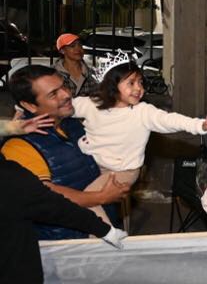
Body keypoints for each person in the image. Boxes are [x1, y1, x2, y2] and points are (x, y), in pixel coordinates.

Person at [70, 58, 207, 222]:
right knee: (70, 195)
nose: (138, 88)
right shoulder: (92, 104)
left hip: (123, 171)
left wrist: (199, 125)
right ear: (112, 85)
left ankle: (106, 238)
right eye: (131, 83)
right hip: (93, 164)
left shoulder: (143, 112)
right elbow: (62, 106)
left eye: (140, 83)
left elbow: (169, 120)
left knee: (87, 200)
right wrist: (36, 116)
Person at [2, 66, 129, 239]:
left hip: (97, 232)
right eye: (53, 94)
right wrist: (100, 197)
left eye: (64, 86)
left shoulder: (73, 124)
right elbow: (44, 194)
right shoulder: (18, 146)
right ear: (29, 105)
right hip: (63, 244)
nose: (66, 94)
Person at [52, 33, 98, 97]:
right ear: (62, 51)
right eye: (72, 46)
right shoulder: (53, 74)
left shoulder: (92, 73)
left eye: (80, 45)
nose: (78, 49)